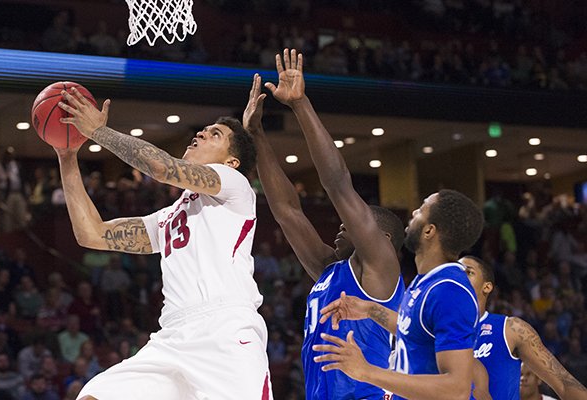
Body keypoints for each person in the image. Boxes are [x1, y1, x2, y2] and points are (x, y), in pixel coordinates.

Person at [55, 87, 272, 399]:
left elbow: (160, 168)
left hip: (225, 330)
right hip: (172, 336)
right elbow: (92, 233)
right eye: (205, 129)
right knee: (93, 396)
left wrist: (97, 131)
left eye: (215, 134)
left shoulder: (234, 184)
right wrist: (67, 156)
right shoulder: (169, 217)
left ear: (232, 161)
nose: (202, 132)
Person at [245, 49, 404, 399]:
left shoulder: (381, 268)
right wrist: (256, 136)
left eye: (357, 223)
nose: (342, 226)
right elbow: (288, 211)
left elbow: (337, 184)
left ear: (384, 239)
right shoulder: (330, 270)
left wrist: (300, 105)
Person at [316, 189, 484, 399]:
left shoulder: (450, 291)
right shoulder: (428, 281)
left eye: (422, 209)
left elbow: (456, 389)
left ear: (429, 231)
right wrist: (369, 309)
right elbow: (415, 330)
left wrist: (366, 371)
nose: (414, 212)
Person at [461, 255, 587, 400]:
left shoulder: (511, 329)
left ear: (487, 287)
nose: (459, 278)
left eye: (468, 272)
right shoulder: (433, 331)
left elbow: (564, 385)